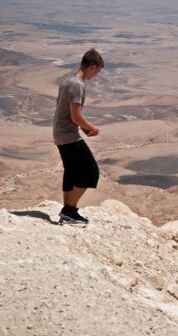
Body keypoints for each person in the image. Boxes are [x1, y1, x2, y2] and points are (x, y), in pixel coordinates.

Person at [53, 48, 104, 223]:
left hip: (62, 133)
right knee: (91, 172)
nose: (96, 75)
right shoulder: (77, 85)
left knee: (72, 172)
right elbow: (75, 115)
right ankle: (70, 211)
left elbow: (69, 114)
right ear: (92, 66)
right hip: (68, 136)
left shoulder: (68, 81)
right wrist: (91, 127)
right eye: (98, 70)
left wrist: (84, 130)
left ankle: (67, 212)